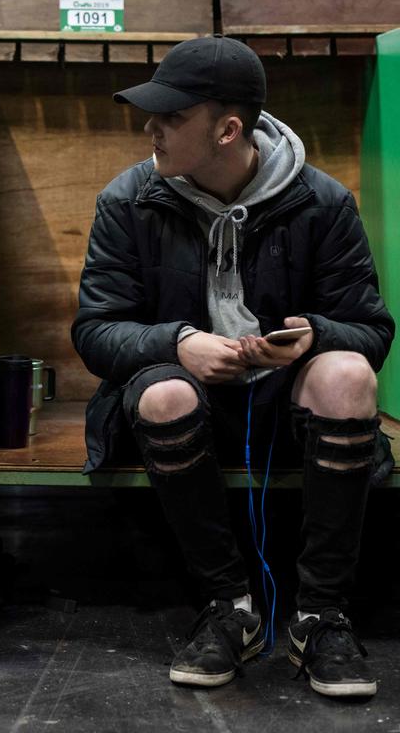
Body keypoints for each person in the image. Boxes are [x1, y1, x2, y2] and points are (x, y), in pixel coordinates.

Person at [71, 35, 395, 698]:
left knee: (349, 375)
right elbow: (96, 331)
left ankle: (321, 616)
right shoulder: (128, 199)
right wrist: (178, 342)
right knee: (163, 395)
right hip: (184, 404)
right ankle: (228, 607)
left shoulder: (323, 202)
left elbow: (370, 330)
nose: (150, 128)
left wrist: (312, 337)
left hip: (283, 409)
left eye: (171, 116)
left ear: (228, 129)